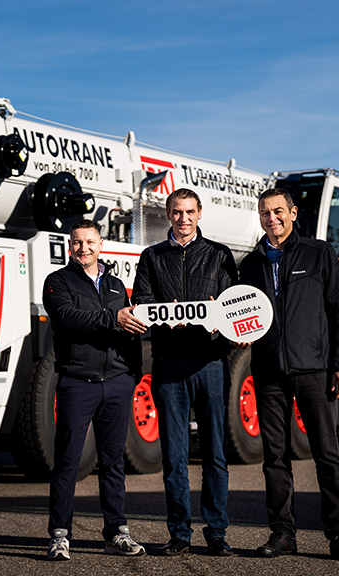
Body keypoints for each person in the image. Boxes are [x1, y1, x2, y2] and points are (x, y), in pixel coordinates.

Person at [238, 188, 339, 560]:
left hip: (314, 370)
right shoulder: (250, 264)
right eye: (264, 212)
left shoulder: (319, 253)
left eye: (278, 211)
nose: (271, 218)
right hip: (269, 371)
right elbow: (241, 313)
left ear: (292, 213)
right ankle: (282, 533)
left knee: (326, 453)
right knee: (274, 457)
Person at [131, 188, 237, 557]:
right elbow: (141, 301)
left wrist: (220, 318)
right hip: (169, 365)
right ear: (168, 214)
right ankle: (179, 533)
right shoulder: (152, 256)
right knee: (174, 456)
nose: (184, 218)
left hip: (211, 364)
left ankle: (217, 533)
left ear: (200, 213)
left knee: (215, 454)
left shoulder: (220, 255)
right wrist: (166, 314)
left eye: (190, 211)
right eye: (177, 212)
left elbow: (233, 304)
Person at [42, 219, 147, 561]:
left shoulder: (116, 285)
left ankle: (116, 532)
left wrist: (132, 373)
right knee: (67, 462)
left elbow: (131, 331)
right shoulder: (57, 281)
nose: (83, 248)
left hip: (117, 384)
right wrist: (112, 319)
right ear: (69, 246)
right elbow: (67, 318)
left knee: (114, 463)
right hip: (78, 383)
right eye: (77, 242)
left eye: (90, 242)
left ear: (101, 244)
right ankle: (60, 535)